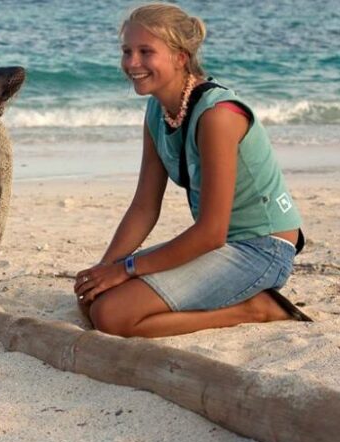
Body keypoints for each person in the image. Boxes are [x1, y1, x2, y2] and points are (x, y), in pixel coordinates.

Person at [74, 3, 307, 338]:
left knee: (112, 315)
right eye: (127, 51)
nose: (132, 63)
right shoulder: (158, 110)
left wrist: (126, 269)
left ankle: (255, 308)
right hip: (219, 245)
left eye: (145, 52)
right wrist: (104, 269)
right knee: (92, 301)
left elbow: (211, 231)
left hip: (262, 249)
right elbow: (144, 207)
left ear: (180, 57)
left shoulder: (218, 116)